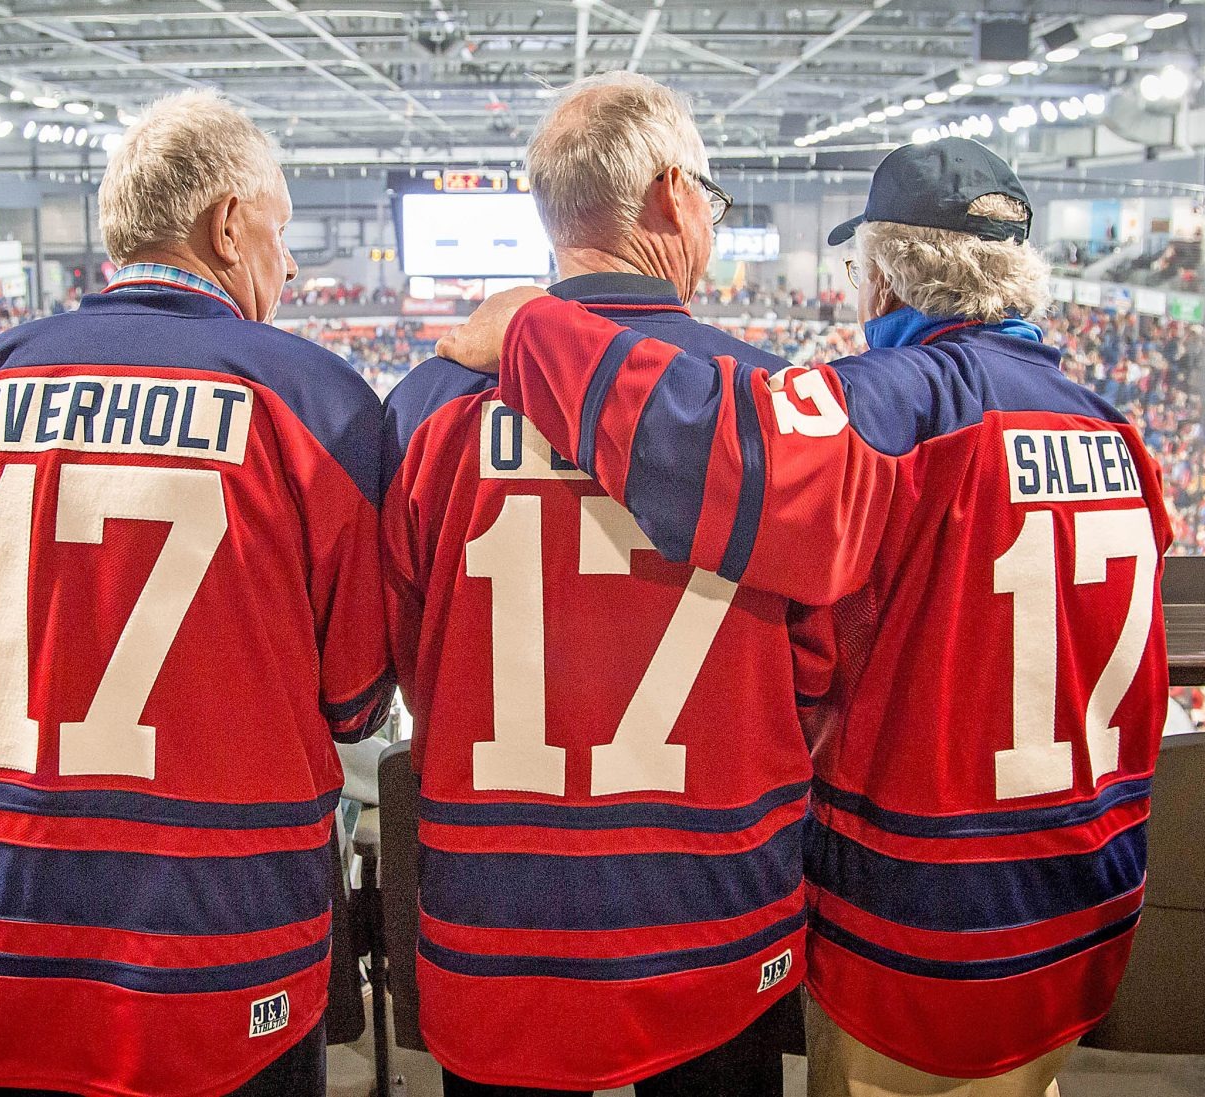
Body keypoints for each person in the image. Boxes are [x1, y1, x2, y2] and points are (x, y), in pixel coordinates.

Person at [439, 138, 1169, 1097]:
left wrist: (538, 328)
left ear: (882, 279)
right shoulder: (1116, 432)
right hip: (1087, 909)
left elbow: (713, 446)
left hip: (933, 936)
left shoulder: (895, 408)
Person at [0, 90, 391, 1097]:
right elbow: (355, 694)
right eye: (280, 228)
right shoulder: (310, 394)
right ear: (226, 224)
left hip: (2, 901)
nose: (292, 262)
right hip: (220, 920)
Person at [381, 72, 819, 1097]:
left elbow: (403, 652)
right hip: (714, 906)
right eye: (707, 201)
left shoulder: (425, 402)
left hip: (497, 908)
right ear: (671, 198)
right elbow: (818, 663)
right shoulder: (763, 399)